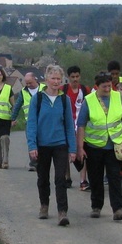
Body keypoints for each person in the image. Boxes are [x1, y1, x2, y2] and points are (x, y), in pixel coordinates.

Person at [76, 71, 122, 220]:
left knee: (115, 177)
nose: (107, 89)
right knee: (96, 178)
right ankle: (96, 206)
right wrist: (80, 148)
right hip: (94, 146)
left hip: (114, 146)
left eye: (109, 86)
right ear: (96, 86)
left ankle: (118, 209)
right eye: (104, 87)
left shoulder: (118, 98)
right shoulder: (89, 100)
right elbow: (81, 125)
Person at [27, 64, 77, 226]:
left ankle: (62, 212)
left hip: (60, 144)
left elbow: (70, 125)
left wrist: (73, 149)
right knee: (43, 178)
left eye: (59, 79)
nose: (56, 81)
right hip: (42, 145)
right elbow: (32, 124)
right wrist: (32, 145)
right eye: (53, 78)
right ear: (46, 79)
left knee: (60, 178)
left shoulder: (65, 100)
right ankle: (44, 205)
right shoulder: (38, 99)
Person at [62, 65, 91, 191]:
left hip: (81, 126)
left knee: (82, 152)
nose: (75, 79)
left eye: (77, 76)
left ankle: (83, 180)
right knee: (65, 152)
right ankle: (67, 178)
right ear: (68, 78)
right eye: (72, 77)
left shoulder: (85, 90)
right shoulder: (63, 90)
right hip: (67, 125)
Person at [10, 72, 44, 171]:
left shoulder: (45, 89)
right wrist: (13, 118)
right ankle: (33, 164)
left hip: (43, 122)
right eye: (27, 83)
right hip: (30, 122)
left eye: (30, 83)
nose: (28, 85)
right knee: (31, 142)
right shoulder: (23, 92)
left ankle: (41, 162)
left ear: (35, 79)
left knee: (41, 142)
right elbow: (17, 107)